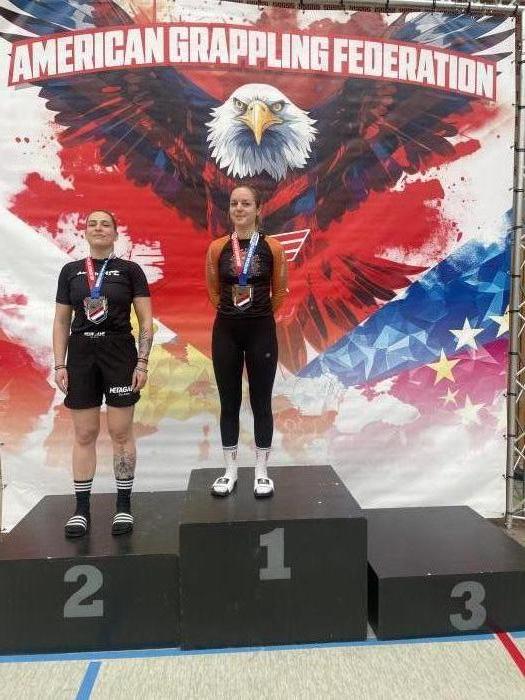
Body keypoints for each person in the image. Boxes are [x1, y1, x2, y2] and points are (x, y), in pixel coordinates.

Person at [53, 210, 153, 537]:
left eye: (105, 224)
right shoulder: (70, 271)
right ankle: (81, 510)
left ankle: (123, 506)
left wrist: (142, 362)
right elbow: (61, 321)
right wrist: (59, 364)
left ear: (115, 233)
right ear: (85, 232)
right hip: (81, 356)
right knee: (84, 434)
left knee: (121, 433)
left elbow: (146, 321)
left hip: (119, 355)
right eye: (92, 224)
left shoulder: (130, 270)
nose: (98, 228)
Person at [206, 185, 288, 498]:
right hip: (226, 331)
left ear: (258, 209)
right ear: (229, 209)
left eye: (246, 203)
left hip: (261, 331)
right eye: (234, 204)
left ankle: (261, 471)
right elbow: (213, 290)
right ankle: (230, 471)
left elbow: (279, 291)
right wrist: (233, 312)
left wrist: (258, 313)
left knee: (260, 402)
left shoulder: (273, 247)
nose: (239, 208)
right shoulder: (217, 247)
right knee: (229, 402)